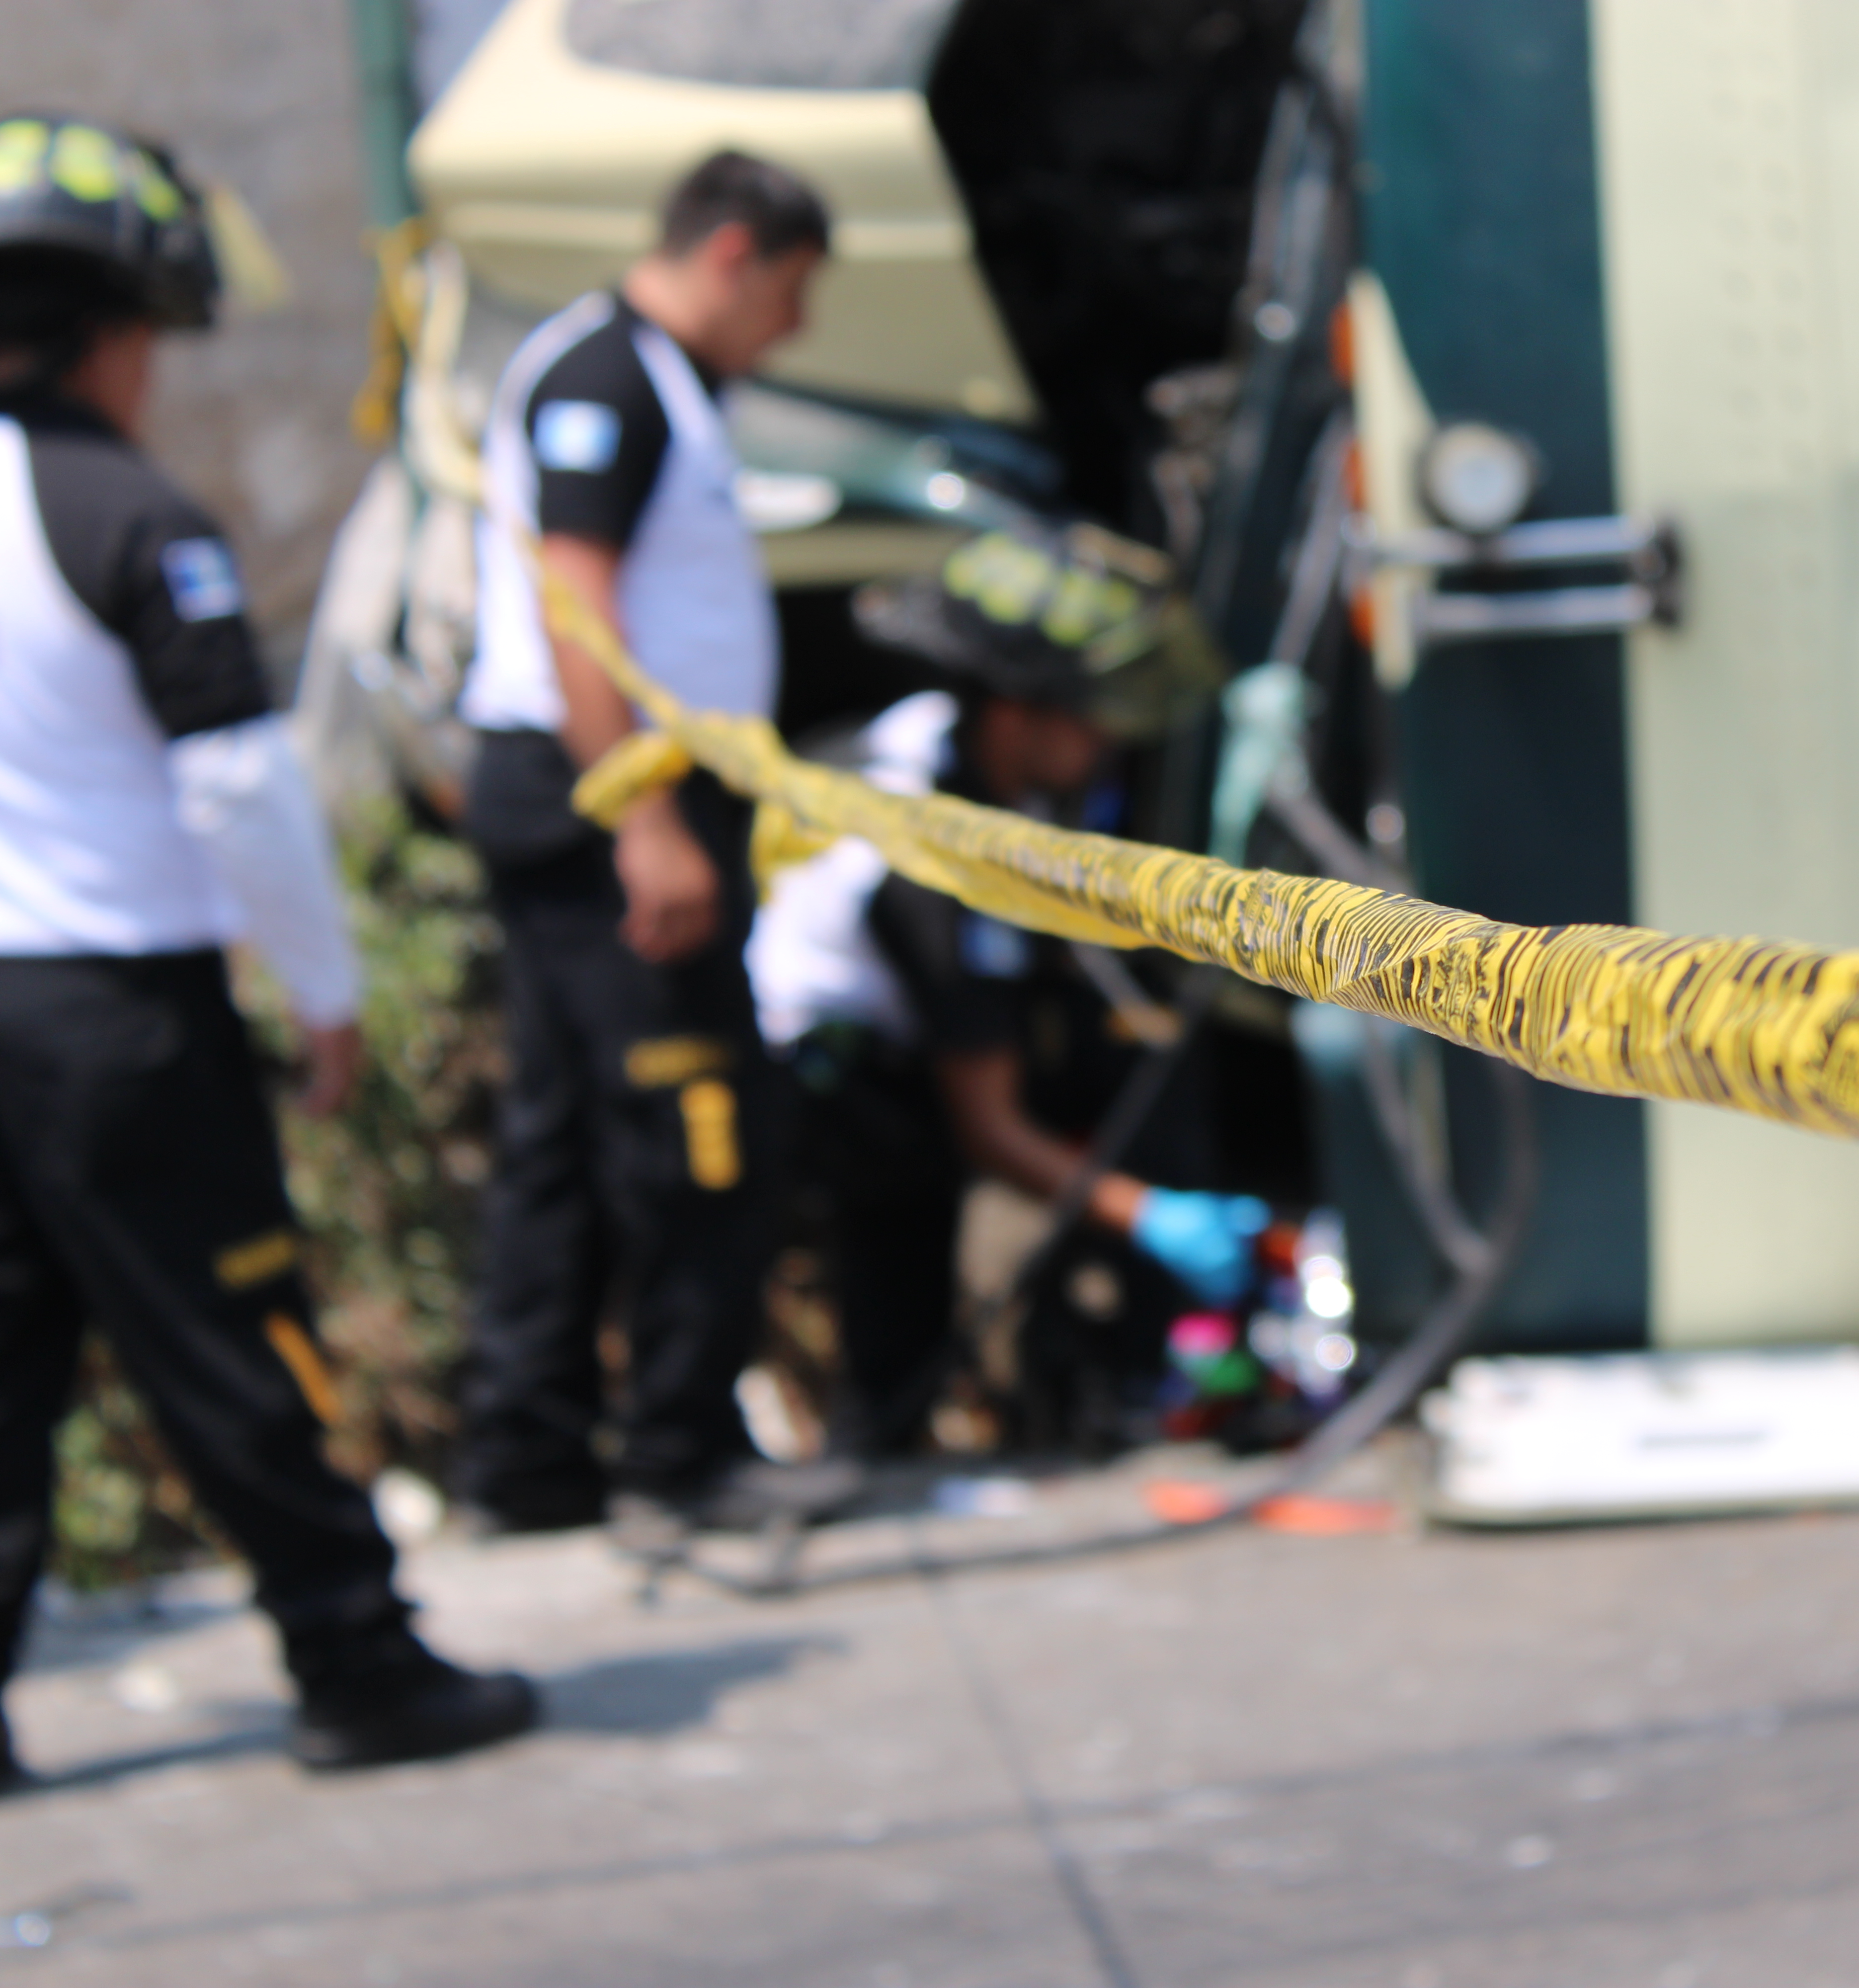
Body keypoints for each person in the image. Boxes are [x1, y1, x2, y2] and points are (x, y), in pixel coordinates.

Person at [0, 116, 535, 1812]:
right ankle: (356, 1661)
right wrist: (324, 992)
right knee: (230, 1325)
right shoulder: (124, 508)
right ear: (96, 331)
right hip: (106, 1004)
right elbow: (239, 783)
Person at [457, 151, 861, 1533]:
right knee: (701, 1121)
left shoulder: (656, 380)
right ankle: (681, 1453)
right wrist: (645, 816)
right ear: (734, 252)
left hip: (608, 794)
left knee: (565, 1136)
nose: (794, 328)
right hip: (612, 800)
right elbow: (576, 603)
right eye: (792, 291)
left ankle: (528, 1457)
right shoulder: (607, 380)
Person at [747, 519, 1263, 1458]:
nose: (1108, 741)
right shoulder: (926, 860)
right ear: (1017, 716)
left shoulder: (945, 743)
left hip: (906, 1040)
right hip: (837, 1086)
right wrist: (1153, 1218)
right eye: (1090, 717)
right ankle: (895, 1435)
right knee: (901, 1272)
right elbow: (987, 1127)